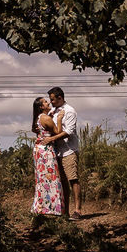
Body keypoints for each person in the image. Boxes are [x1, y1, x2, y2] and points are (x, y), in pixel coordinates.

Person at [40, 86, 83, 220]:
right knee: (62, 182)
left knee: (73, 180)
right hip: (57, 152)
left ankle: (77, 210)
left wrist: (51, 138)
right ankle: (65, 211)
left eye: (52, 99)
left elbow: (68, 131)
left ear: (60, 98)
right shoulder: (53, 111)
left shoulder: (70, 111)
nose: (51, 102)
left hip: (69, 150)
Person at [30, 97, 65, 217]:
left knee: (42, 178)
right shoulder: (45, 118)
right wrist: (59, 119)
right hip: (46, 150)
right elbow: (58, 131)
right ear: (41, 107)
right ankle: (52, 209)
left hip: (39, 148)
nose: (48, 102)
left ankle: (42, 207)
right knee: (51, 178)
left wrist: (43, 134)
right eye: (45, 102)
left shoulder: (39, 117)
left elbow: (34, 130)